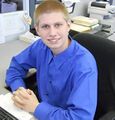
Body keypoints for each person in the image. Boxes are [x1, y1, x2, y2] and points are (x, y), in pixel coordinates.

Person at [5, 0, 98, 120]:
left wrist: (36, 107)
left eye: (58, 25)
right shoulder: (40, 46)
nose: (52, 33)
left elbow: (81, 118)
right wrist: (20, 91)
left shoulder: (84, 65)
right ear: (37, 30)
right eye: (45, 26)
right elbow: (16, 66)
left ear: (68, 25)